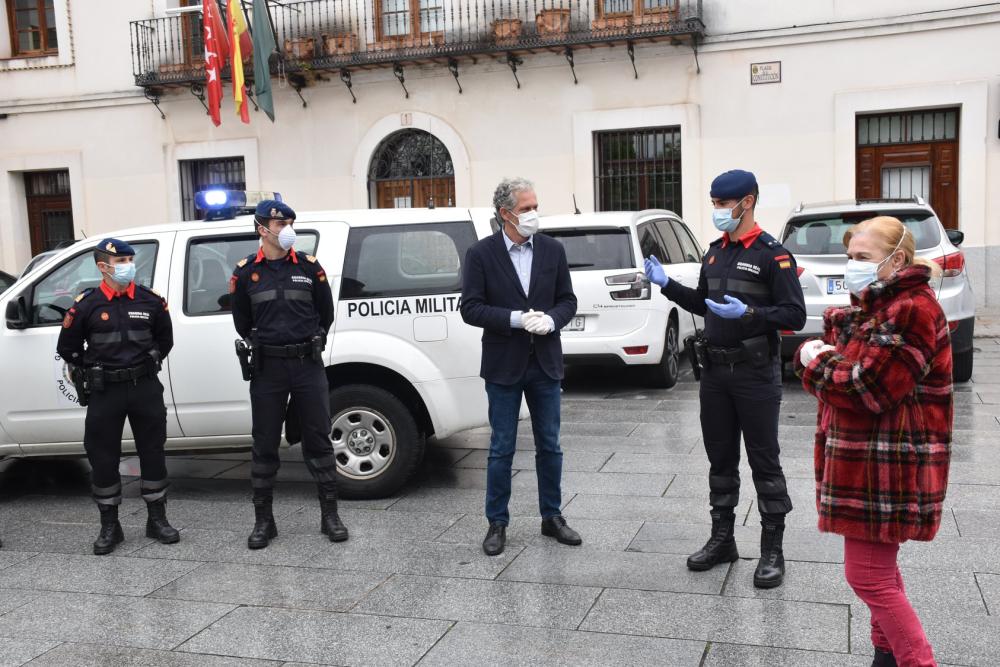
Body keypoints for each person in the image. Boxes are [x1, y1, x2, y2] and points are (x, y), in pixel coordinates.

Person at [796, 216, 951, 667]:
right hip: (873, 463)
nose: (852, 265)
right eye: (850, 256)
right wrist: (833, 343)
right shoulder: (883, 305)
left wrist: (814, 362)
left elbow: (869, 388)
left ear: (896, 260)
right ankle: (886, 655)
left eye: (862, 257)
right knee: (880, 571)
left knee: (868, 577)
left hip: (887, 466)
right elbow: (860, 359)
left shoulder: (911, 310)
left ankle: (916, 661)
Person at [644, 169, 806, 588]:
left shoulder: (773, 255)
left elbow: (795, 314)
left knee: (764, 461)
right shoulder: (715, 252)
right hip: (715, 374)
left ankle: (772, 549)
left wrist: (750, 314)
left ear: (746, 202)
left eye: (722, 203)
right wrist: (666, 284)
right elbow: (703, 303)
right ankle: (723, 539)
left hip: (755, 374)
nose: (717, 210)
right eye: (714, 203)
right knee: (720, 460)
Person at [460, 177, 581, 556]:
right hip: (503, 364)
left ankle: (552, 516)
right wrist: (514, 319)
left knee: (550, 445)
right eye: (526, 208)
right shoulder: (481, 254)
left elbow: (568, 300)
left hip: (545, 363)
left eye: (535, 206)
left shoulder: (552, 250)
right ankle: (497, 522)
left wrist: (552, 320)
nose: (533, 214)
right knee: (501, 447)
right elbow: (470, 308)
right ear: (505, 213)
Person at [230, 199, 348, 549]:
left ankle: (330, 515)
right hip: (268, 368)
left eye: (290, 223)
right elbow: (242, 322)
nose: (287, 230)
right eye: (280, 225)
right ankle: (264, 521)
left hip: (307, 365)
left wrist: (310, 340)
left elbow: (325, 314)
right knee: (265, 442)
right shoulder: (245, 272)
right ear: (261, 229)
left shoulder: (310, 268)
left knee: (319, 438)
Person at [56, 238, 179, 555]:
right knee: (102, 456)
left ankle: (157, 520)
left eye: (129, 260)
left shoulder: (151, 301)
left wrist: (149, 359)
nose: (128, 266)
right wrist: (91, 368)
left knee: (152, 450)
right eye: (121, 262)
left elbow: (165, 340)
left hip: (144, 387)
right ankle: (110, 526)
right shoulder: (87, 304)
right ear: (103, 267)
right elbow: (67, 347)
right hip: (105, 390)